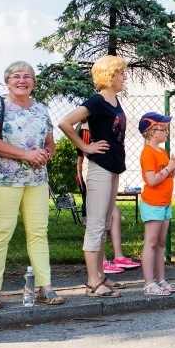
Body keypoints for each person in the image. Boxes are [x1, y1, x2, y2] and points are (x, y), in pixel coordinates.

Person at [0, 61, 63, 309]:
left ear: (34, 82)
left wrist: (43, 153)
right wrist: (26, 154)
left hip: (37, 180)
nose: (22, 80)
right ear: (7, 81)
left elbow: (51, 145)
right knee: (1, 232)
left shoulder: (41, 109)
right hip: (4, 178)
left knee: (38, 234)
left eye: (28, 76)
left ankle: (45, 288)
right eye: (16, 76)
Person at [59, 55, 128, 298]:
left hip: (113, 169)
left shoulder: (114, 100)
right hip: (99, 168)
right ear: (110, 75)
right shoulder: (97, 101)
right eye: (121, 73)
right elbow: (65, 123)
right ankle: (92, 283)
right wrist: (86, 148)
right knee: (96, 226)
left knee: (105, 224)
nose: (124, 77)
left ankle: (101, 276)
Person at [76, 121, 139, 274]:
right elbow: (81, 156)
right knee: (97, 219)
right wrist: (81, 176)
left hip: (106, 169)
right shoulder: (85, 129)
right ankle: (101, 263)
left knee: (113, 216)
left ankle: (117, 257)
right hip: (92, 171)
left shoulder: (103, 127)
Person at [138, 112, 175, 295]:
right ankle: (149, 283)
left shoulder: (162, 152)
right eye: (163, 129)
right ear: (152, 132)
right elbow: (151, 181)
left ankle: (161, 280)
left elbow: (167, 176)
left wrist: (173, 167)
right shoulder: (148, 153)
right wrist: (170, 168)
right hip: (153, 203)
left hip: (164, 203)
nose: (167, 132)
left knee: (160, 243)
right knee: (151, 242)